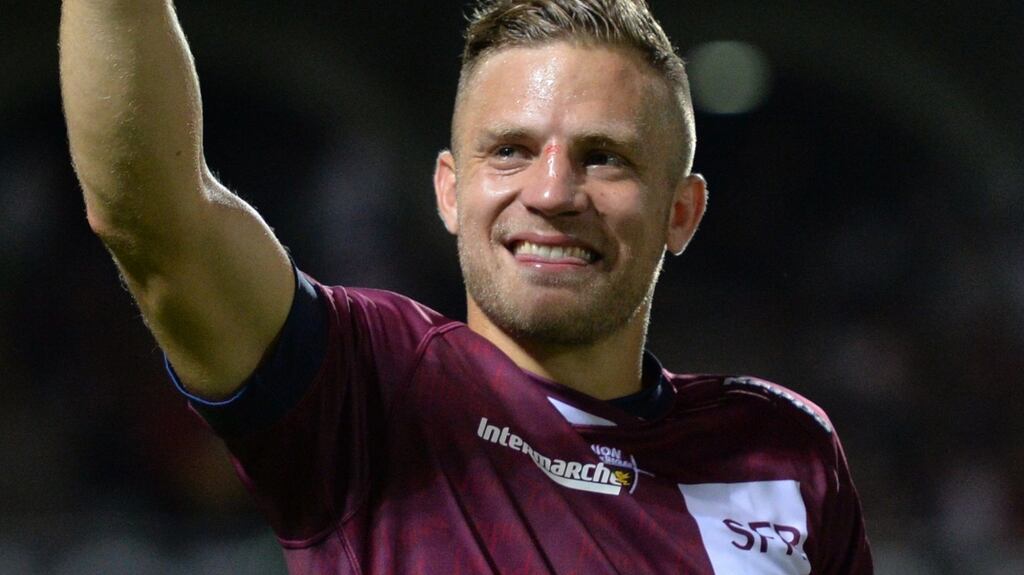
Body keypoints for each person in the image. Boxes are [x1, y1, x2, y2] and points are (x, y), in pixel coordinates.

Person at [60, 0, 873, 572]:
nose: (553, 192)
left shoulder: (785, 452)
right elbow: (156, 219)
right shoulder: (367, 389)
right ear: (450, 191)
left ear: (682, 212)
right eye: (511, 151)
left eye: (605, 156)